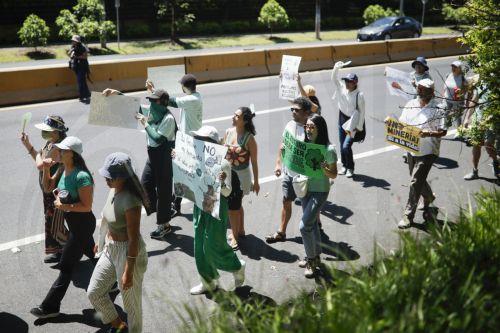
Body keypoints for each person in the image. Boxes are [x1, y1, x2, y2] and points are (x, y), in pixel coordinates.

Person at [31, 136, 97, 318]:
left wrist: (65, 206)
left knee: (66, 267)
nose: (57, 152)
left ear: (72, 154)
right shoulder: (62, 169)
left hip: (82, 225)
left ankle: (50, 307)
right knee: (92, 252)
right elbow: (48, 187)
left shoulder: (82, 176)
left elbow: (87, 206)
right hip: (74, 223)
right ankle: (112, 281)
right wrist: (45, 168)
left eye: (62, 150)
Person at [177, 126, 245, 295]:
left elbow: (227, 192)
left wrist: (221, 182)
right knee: (199, 246)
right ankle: (208, 282)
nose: (197, 142)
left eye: (202, 139)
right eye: (197, 138)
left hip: (216, 207)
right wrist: (177, 159)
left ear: (211, 143)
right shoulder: (195, 158)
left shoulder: (223, 163)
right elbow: (188, 176)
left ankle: (237, 267)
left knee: (213, 245)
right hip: (200, 205)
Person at [102, 88, 177, 240]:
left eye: (154, 100)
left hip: (164, 155)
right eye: (150, 99)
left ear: (162, 103)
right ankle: (166, 210)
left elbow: (157, 138)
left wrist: (145, 124)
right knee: (145, 186)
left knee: (163, 190)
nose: (150, 102)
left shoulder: (168, 119)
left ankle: (164, 224)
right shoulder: (151, 111)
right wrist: (116, 93)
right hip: (153, 155)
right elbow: (133, 106)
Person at [87, 153, 149, 333]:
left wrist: (129, 271)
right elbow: (106, 218)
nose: (106, 179)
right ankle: (120, 327)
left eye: (110, 176)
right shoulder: (113, 189)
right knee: (95, 292)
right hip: (110, 248)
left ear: (121, 177)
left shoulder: (131, 201)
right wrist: (101, 241)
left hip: (128, 254)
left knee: (132, 305)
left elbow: (133, 238)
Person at [147, 74, 203, 217]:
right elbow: (164, 101)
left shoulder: (192, 99)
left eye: (181, 86)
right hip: (186, 140)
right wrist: (154, 93)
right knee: (181, 172)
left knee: (184, 173)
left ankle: (180, 204)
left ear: (184, 87)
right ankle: (176, 203)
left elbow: (168, 101)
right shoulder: (196, 96)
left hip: (190, 142)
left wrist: (154, 93)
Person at [396, 79, 447, 229]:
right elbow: (402, 123)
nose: (420, 92)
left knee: (415, 182)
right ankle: (429, 197)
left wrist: (427, 133)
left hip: (428, 151)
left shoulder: (439, 109)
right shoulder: (410, 104)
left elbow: (443, 131)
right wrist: (392, 124)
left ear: (431, 92)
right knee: (417, 179)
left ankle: (408, 216)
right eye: (419, 89)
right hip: (411, 149)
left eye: (423, 90)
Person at [20, 115, 69, 263]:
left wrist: (39, 158)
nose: (44, 133)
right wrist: (27, 145)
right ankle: (59, 251)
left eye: (48, 131)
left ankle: (72, 248)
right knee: (51, 220)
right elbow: (39, 158)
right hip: (47, 189)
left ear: (56, 132)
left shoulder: (57, 147)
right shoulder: (49, 143)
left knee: (56, 223)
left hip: (55, 191)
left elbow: (40, 165)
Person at [265, 97, 312, 243]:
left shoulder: (311, 128)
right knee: (286, 201)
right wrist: (278, 164)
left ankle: (313, 230)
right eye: (292, 109)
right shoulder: (289, 125)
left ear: (306, 113)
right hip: (288, 172)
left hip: (305, 177)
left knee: (307, 205)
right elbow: (283, 144)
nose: (293, 112)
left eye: (297, 110)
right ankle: (281, 232)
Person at [299, 114, 337, 278]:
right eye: (307, 126)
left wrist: (324, 168)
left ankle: (312, 260)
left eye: (312, 127)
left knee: (304, 225)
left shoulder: (329, 149)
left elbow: (334, 174)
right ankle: (316, 254)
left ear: (319, 129)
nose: (308, 129)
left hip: (320, 191)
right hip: (305, 189)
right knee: (312, 224)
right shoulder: (306, 144)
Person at [223, 107, 259, 250]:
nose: (233, 117)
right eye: (234, 114)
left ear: (244, 121)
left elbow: (254, 162)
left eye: (236, 116)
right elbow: (221, 152)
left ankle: (235, 237)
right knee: (236, 205)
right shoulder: (228, 132)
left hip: (241, 177)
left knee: (233, 207)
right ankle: (241, 230)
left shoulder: (249, 139)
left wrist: (256, 182)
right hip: (228, 174)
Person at [331, 61, 366, 178]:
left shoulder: (359, 95)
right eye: (346, 81)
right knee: (341, 144)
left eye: (349, 81)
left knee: (346, 146)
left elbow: (362, 113)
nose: (346, 83)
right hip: (342, 118)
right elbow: (334, 79)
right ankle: (344, 166)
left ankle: (350, 167)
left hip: (353, 122)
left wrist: (359, 127)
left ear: (355, 83)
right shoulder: (341, 88)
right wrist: (336, 68)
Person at [462, 75, 499, 180]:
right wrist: (467, 118)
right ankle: (475, 171)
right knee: (476, 145)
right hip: (478, 119)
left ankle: (496, 161)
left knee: (488, 145)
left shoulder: (496, 83)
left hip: (491, 120)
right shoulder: (481, 82)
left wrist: (488, 119)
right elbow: (474, 100)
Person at [443, 60, 468, 136]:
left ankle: (459, 133)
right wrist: (443, 95)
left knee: (457, 117)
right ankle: (444, 129)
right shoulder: (448, 75)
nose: (453, 68)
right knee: (444, 114)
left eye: (455, 67)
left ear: (459, 68)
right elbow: (444, 86)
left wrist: (461, 92)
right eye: (452, 66)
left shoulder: (462, 78)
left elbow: (467, 88)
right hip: (447, 99)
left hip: (457, 101)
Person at [68, 35, 91, 103]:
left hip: (83, 66)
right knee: (82, 81)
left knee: (80, 80)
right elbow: (69, 54)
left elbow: (85, 57)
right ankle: (87, 95)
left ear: (77, 41)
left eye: (74, 41)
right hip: (76, 66)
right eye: (72, 41)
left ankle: (81, 95)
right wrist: (72, 53)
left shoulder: (83, 47)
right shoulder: (74, 47)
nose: (73, 42)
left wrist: (77, 57)